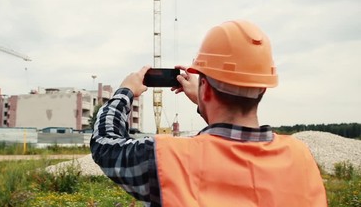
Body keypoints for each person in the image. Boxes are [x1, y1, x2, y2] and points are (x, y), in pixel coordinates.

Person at [90, 20, 327, 206]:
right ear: (263, 88)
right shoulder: (301, 157)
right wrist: (205, 100)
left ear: (205, 88)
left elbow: (104, 144)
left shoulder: (168, 159)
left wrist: (125, 92)